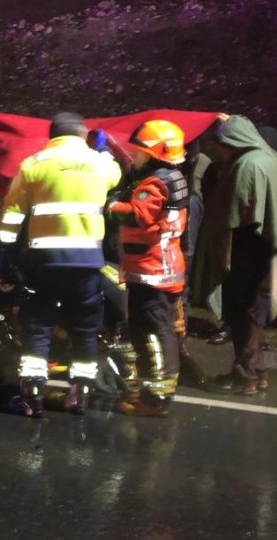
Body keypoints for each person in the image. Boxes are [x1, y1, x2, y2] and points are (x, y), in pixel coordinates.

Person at [0, 112, 122, 417]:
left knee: (38, 326)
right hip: (86, 263)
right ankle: (81, 394)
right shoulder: (99, 164)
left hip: (43, 262)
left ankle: (33, 396)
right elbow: (116, 173)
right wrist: (103, 149)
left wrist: (6, 257)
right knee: (84, 328)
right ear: (83, 135)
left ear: (52, 136)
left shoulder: (33, 165)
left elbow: (12, 214)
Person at [192, 115, 277, 394]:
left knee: (243, 313)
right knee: (253, 314)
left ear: (233, 141)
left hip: (247, 249)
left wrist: (221, 246)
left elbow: (236, 213)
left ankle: (245, 376)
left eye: (220, 143)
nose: (216, 149)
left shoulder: (248, 164)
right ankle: (257, 372)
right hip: (263, 248)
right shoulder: (269, 159)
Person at [107, 120, 189, 417]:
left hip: (152, 269)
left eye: (139, 151)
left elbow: (136, 217)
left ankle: (156, 398)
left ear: (154, 153)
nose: (135, 154)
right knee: (153, 330)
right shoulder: (173, 177)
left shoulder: (155, 183)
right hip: (161, 265)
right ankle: (151, 391)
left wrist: (111, 206)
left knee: (153, 332)